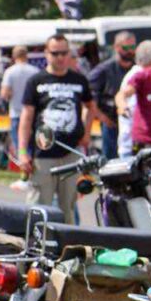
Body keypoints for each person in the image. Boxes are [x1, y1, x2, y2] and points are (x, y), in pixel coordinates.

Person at [18, 34, 96, 224]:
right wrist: (22, 152)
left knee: (68, 207)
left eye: (64, 53)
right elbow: (26, 117)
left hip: (71, 153)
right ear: (46, 54)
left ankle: (66, 248)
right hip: (44, 154)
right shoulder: (36, 81)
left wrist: (86, 133)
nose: (60, 58)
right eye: (55, 53)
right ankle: (34, 247)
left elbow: (91, 106)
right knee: (38, 206)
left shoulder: (78, 80)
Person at [89, 31, 136, 159]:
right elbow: (87, 96)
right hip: (111, 124)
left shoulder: (137, 70)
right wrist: (102, 117)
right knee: (111, 162)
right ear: (116, 47)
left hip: (132, 124)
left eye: (133, 47)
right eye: (126, 48)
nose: (130, 51)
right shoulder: (104, 70)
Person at [117, 40, 151, 159]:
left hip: (135, 143)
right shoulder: (140, 76)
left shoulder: (135, 72)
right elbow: (134, 107)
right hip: (134, 145)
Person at [0, 46, 39, 161]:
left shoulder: (10, 72)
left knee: (20, 146)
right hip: (33, 114)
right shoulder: (35, 71)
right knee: (33, 145)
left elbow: (4, 93)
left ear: (14, 56)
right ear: (26, 55)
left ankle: (24, 170)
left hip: (16, 113)